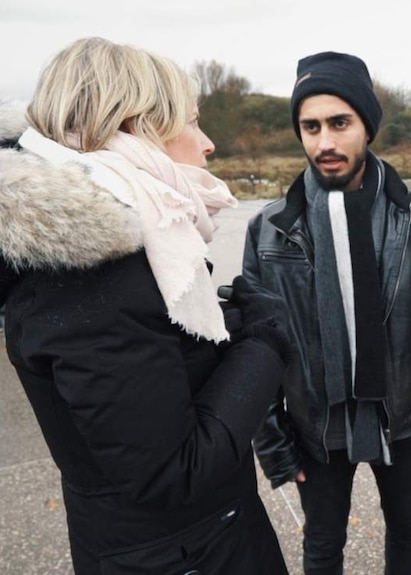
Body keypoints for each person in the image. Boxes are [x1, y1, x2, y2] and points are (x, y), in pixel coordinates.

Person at [0, 38, 291, 574]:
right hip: (181, 555)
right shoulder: (91, 273)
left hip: (190, 543)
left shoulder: (134, 242)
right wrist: (266, 341)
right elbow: (171, 471)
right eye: (193, 121)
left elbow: (158, 363)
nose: (207, 144)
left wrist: (234, 322)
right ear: (137, 128)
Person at [245, 51, 411, 575]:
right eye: (310, 126)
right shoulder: (270, 228)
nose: (324, 142)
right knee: (322, 544)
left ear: (367, 125)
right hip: (315, 425)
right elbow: (257, 347)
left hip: (401, 414)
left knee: (408, 530)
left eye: (339, 123)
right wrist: (274, 444)